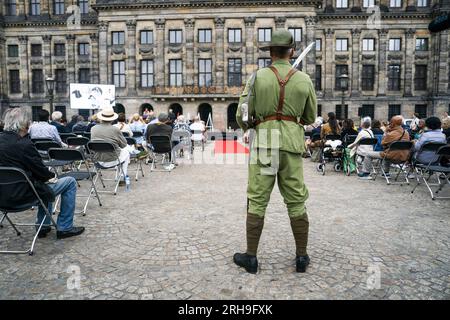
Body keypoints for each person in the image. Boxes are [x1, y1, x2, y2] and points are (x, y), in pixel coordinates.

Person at [235, 29, 317, 274]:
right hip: (291, 143)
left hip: (265, 140)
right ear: (292, 51)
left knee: (258, 199)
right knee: (296, 199)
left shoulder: (258, 77)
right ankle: (301, 256)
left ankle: (251, 257)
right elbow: (310, 117)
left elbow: (242, 112)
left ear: (270, 52)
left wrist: (249, 125)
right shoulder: (304, 79)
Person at [0, 107, 84, 239]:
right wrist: (52, 177)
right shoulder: (24, 144)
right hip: (23, 196)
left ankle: (43, 226)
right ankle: (65, 227)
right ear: (24, 124)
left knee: (41, 183)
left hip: (2, 196)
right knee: (69, 182)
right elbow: (42, 172)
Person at [358, 116, 410, 180]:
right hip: (404, 157)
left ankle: (366, 173)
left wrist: (386, 132)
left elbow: (382, 143)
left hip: (392, 156)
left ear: (393, 123)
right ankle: (386, 173)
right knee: (388, 151)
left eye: (391, 122)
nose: (389, 124)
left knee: (368, 154)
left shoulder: (391, 134)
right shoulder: (406, 132)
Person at [91, 108, 130, 185]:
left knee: (121, 152)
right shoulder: (115, 129)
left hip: (98, 160)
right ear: (112, 119)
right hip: (112, 159)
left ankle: (121, 175)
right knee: (126, 152)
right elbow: (124, 144)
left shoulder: (93, 128)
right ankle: (122, 176)